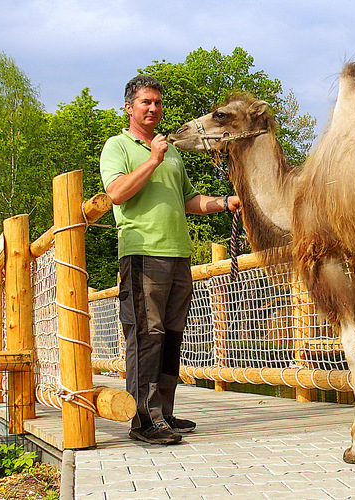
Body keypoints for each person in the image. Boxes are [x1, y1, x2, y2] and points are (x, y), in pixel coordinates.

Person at [100, 75, 240, 445]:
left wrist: (225, 203)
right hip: (142, 253)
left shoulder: (172, 152)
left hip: (178, 255)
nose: (153, 108)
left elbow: (189, 200)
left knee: (172, 336)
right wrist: (152, 158)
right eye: (146, 102)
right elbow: (116, 193)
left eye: (158, 103)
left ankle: (164, 412)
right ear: (129, 108)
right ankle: (143, 420)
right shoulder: (118, 146)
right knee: (147, 336)